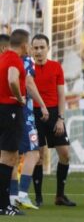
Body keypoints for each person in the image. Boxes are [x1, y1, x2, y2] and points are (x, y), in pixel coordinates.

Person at [31, 34, 76, 207]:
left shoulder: (56, 67)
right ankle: (38, 197)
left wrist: (60, 119)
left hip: (54, 114)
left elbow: (61, 95)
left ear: (48, 49)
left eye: (42, 47)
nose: (39, 51)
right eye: (36, 48)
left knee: (65, 153)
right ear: (31, 49)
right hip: (35, 114)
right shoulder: (28, 69)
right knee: (38, 156)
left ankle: (60, 196)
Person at [9, 52, 49, 210]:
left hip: (7, 111)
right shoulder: (26, 61)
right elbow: (29, 84)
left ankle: (12, 196)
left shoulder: (5, 60)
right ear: (26, 45)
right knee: (33, 153)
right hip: (25, 114)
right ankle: (22, 193)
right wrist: (42, 104)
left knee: (11, 155)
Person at [0, 29, 30, 216]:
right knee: (9, 158)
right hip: (10, 109)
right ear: (25, 45)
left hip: (3, 109)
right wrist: (19, 98)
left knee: (7, 157)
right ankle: (3, 205)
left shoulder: (3, 57)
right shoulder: (13, 59)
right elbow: (12, 79)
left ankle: (3, 203)